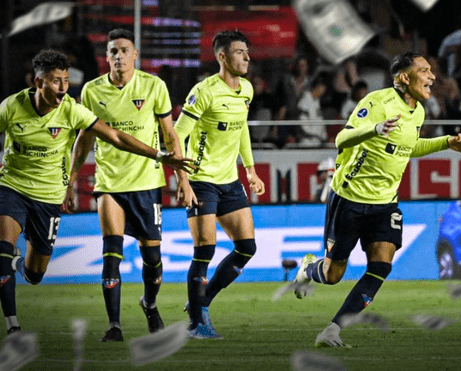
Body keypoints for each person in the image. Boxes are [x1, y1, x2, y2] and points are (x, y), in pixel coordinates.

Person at [293, 51, 461, 347]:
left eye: (431, 71)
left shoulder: (417, 111)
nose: (432, 77)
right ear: (404, 77)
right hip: (349, 197)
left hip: (385, 203)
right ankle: (307, 269)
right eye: (425, 70)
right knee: (332, 275)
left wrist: (446, 143)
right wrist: (374, 129)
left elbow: (408, 147)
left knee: (381, 265)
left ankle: (333, 329)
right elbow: (341, 139)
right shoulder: (377, 103)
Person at [0, 49, 193, 336]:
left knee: (35, 274)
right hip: (12, 187)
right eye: (56, 81)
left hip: (49, 196)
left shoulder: (71, 109)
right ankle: (13, 325)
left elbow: (114, 136)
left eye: (66, 80)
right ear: (38, 82)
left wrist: (160, 156)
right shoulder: (10, 107)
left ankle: (19, 263)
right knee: (2, 253)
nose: (64, 88)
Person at [64, 29, 192, 342]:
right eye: (112, 52)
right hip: (109, 184)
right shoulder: (92, 91)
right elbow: (84, 139)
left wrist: (183, 179)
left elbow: (169, 134)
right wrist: (70, 180)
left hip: (147, 183)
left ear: (135, 55)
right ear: (105, 58)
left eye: (124, 50)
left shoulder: (153, 86)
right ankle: (114, 326)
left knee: (153, 260)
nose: (118, 56)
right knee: (112, 253)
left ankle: (149, 303)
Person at [173, 30, 265, 339]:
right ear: (222, 57)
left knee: (247, 247)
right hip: (201, 182)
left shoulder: (247, 90)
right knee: (205, 250)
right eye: (240, 52)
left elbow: (241, 132)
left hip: (230, 181)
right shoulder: (204, 92)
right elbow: (177, 134)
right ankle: (196, 324)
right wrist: (182, 180)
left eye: (247, 51)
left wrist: (250, 171)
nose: (247, 57)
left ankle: (200, 303)